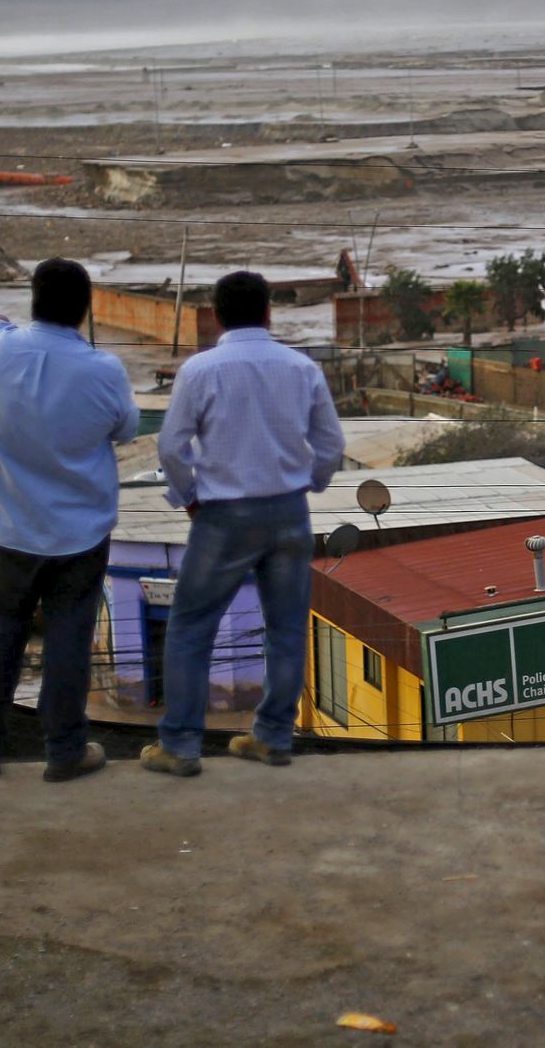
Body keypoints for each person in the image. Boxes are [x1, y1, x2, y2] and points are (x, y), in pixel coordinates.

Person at [144, 270, 345, 777]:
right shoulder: (301, 368)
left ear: (215, 315)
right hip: (288, 511)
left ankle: (182, 746)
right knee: (285, 629)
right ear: (269, 313)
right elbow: (331, 447)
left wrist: (188, 495)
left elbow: (170, 447)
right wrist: (311, 483)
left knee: (191, 626)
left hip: (224, 517)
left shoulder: (200, 370)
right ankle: (273, 737)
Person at [0, 258, 139, 783]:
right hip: (79, 535)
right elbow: (127, 429)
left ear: (33, 302)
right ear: (85, 310)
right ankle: (63, 749)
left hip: (9, 531)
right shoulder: (103, 369)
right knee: (67, 640)